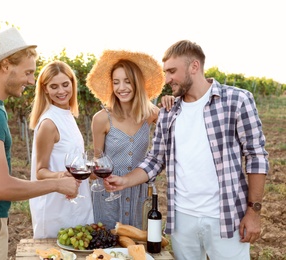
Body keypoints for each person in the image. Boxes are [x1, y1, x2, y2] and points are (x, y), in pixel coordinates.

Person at [105, 40, 269, 259]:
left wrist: (253, 211)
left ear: (194, 66)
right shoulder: (168, 112)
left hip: (226, 216)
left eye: (172, 71)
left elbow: (256, 156)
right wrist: (125, 180)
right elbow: (155, 159)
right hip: (181, 220)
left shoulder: (237, 100)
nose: (167, 79)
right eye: (166, 72)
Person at [0, 28, 80, 260]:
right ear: (6, 65)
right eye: (28, 72)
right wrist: (58, 185)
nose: (32, 81)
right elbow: (1, 188)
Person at [85, 50, 169, 230]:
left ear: (137, 83)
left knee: (137, 247)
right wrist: (91, 173)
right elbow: (97, 160)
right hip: (109, 195)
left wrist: (171, 102)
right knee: (107, 247)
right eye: (116, 82)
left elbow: (174, 128)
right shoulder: (101, 119)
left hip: (139, 193)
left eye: (127, 81)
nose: (121, 87)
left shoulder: (150, 114)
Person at [29, 60, 94, 239]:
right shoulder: (49, 123)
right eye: (54, 86)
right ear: (45, 89)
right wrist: (60, 177)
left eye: (65, 84)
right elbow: (40, 172)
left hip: (76, 200)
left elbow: (71, 159)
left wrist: (94, 171)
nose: (61, 91)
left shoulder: (67, 115)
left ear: (73, 84)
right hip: (56, 207)